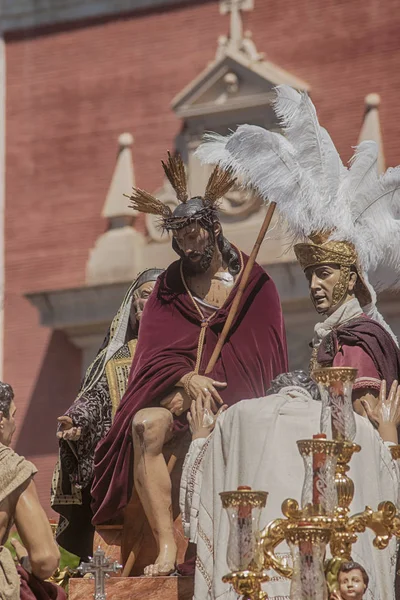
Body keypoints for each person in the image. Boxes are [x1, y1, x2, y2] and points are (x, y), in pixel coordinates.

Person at [91, 153, 288, 576]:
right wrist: (186, 377)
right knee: (144, 424)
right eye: (180, 240)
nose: (188, 247)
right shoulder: (168, 285)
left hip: (236, 402)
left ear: (214, 228)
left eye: (195, 236)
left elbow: (263, 354)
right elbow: (154, 354)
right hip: (178, 399)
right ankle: (166, 545)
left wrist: (222, 393)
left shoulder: (253, 285)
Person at [196, 83, 400, 412]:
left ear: (350, 279)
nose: (314, 286)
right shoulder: (338, 333)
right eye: (309, 277)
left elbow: (362, 428)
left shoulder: (358, 340)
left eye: (323, 273)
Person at [180, 372, 399, 600]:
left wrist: (199, 437)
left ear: (271, 393)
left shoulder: (237, 417)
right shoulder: (356, 426)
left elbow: (200, 484)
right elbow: (389, 494)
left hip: (257, 576)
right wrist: (387, 428)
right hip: (340, 577)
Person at [51, 268, 163, 560]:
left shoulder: (178, 354)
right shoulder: (117, 358)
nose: (147, 303)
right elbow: (95, 395)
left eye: (155, 296)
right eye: (142, 295)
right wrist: (76, 420)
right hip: (123, 465)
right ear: (131, 303)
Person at [0, 382, 64, 600]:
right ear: (1, 419)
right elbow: (46, 560)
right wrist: (26, 561)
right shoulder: (12, 467)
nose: (14, 425)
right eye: (13, 415)